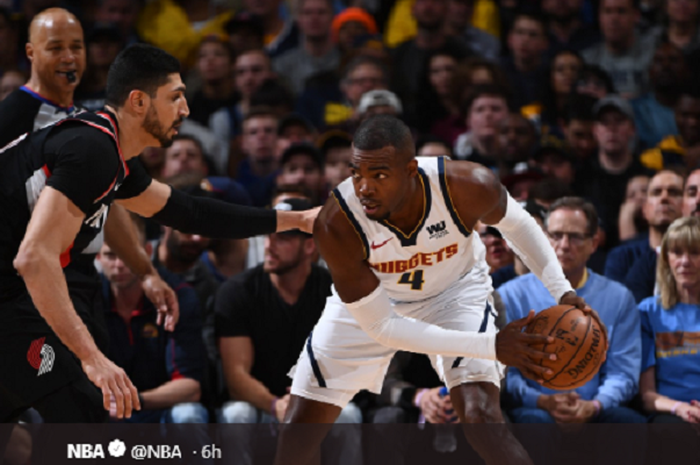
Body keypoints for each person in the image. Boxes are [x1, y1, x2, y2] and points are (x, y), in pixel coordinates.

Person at [0, 43, 316, 429]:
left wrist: (296, 220)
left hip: (11, 296)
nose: (185, 109)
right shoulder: (92, 149)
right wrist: (92, 357)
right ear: (138, 102)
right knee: (85, 413)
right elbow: (34, 258)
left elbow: (192, 212)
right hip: (10, 296)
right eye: (175, 97)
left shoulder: (109, 152)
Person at [274, 115, 590, 465]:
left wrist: (562, 292)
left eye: (379, 175)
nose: (364, 188)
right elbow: (383, 328)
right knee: (298, 432)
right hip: (373, 307)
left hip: (454, 293)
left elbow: (520, 226)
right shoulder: (338, 222)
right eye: (356, 173)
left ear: (411, 170)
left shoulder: (466, 185)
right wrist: (492, 345)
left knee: (481, 416)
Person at [216, 196, 362, 465]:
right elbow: (236, 378)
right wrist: (277, 405)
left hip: (317, 402)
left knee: (349, 415)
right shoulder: (237, 292)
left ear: (309, 246)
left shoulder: (336, 293)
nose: (269, 246)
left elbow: (346, 369)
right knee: (236, 415)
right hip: (261, 404)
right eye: (268, 237)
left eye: (282, 238)